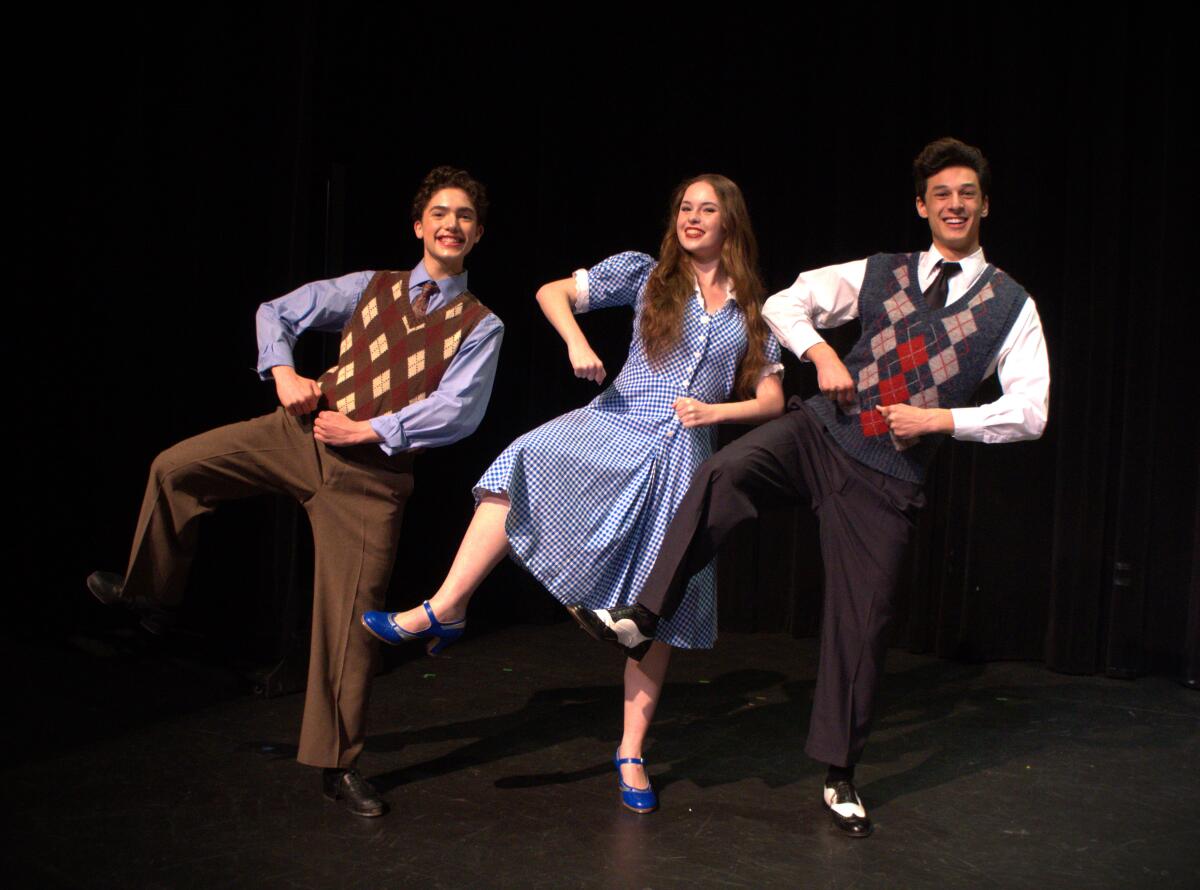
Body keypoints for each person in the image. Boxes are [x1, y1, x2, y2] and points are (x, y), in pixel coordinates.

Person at [572, 138, 1050, 837]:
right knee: (725, 470)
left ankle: (839, 773)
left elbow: (1032, 411)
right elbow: (788, 303)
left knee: (861, 623)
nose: (954, 205)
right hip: (821, 433)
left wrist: (945, 417)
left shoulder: (1011, 304)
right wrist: (822, 351)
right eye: (941, 194)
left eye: (967, 193)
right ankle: (643, 615)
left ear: (984, 204)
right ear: (923, 206)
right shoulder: (883, 271)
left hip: (886, 479)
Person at [86, 166, 504, 818]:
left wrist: (366, 428)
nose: (452, 225)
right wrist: (283, 372)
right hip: (298, 434)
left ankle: (337, 766)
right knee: (175, 469)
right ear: (419, 225)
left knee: (347, 630)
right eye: (440, 214)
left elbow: (460, 411)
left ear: (477, 235)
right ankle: (151, 595)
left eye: (465, 218)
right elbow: (277, 310)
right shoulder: (372, 286)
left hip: (370, 481)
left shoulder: (482, 324)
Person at [361, 174, 784, 813]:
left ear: (732, 224)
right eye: (685, 207)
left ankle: (631, 752)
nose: (693, 217)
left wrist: (714, 414)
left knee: (658, 606)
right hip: (617, 423)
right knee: (522, 461)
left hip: (686, 453)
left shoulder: (757, 309)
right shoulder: (646, 275)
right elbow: (551, 291)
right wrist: (578, 341)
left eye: (708, 209)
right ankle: (445, 606)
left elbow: (772, 400)